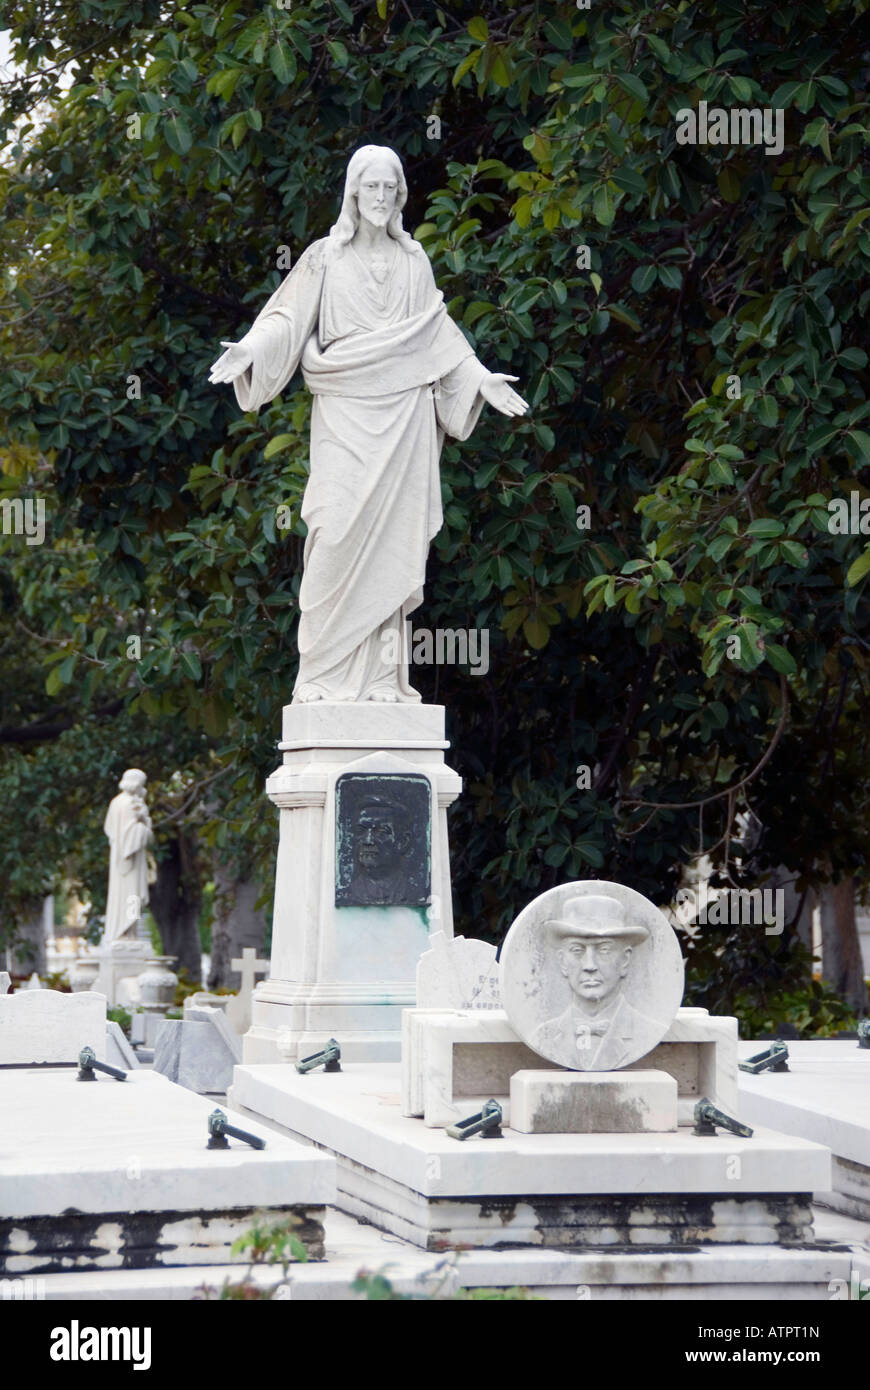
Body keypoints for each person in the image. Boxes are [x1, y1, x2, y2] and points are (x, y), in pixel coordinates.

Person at [209, 144, 528, 703]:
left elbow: (438, 334)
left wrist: (479, 379)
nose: (379, 198)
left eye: (389, 188)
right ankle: (320, 677)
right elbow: (285, 318)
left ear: (399, 194)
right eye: (370, 187)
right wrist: (250, 350)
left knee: (391, 548)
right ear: (353, 193)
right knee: (332, 531)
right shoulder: (324, 258)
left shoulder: (414, 261)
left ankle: (382, 680)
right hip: (345, 413)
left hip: (403, 417)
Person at [529, 895, 659, 1070]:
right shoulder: (542, 1036)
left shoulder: (648, 1032)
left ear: (625, 960)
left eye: (604, 950)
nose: (589, 965)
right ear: (562, 962)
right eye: (577, 950)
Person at [102, 769, 152, 945]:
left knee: (130, 896)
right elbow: (132, 833)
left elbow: (110, 829)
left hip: (123, 858)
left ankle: (129, 931)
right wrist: (143, 821)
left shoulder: (115, 802)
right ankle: (127, 932)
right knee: (132, 895)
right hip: (129, 859)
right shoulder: (129, 804)